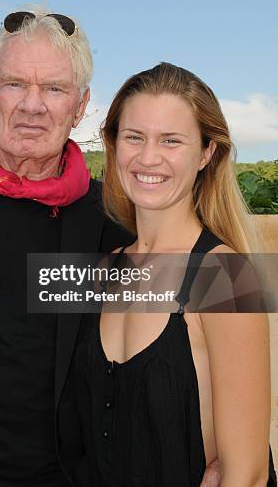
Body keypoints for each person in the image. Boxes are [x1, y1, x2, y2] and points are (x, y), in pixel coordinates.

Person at [0, 10, 220, 487]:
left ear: (80, 106)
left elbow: (186, 345)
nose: (32, 106)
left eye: (55, 89)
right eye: (15, 84)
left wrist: (228, 459)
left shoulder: (114, 224)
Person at [74, 62, 277, 486]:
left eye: (171, 141)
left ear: (207, 153)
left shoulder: (223, 277)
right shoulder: (103, 270)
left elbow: (249, 474)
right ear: (112, 144)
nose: (149, 158)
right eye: (134, 137)